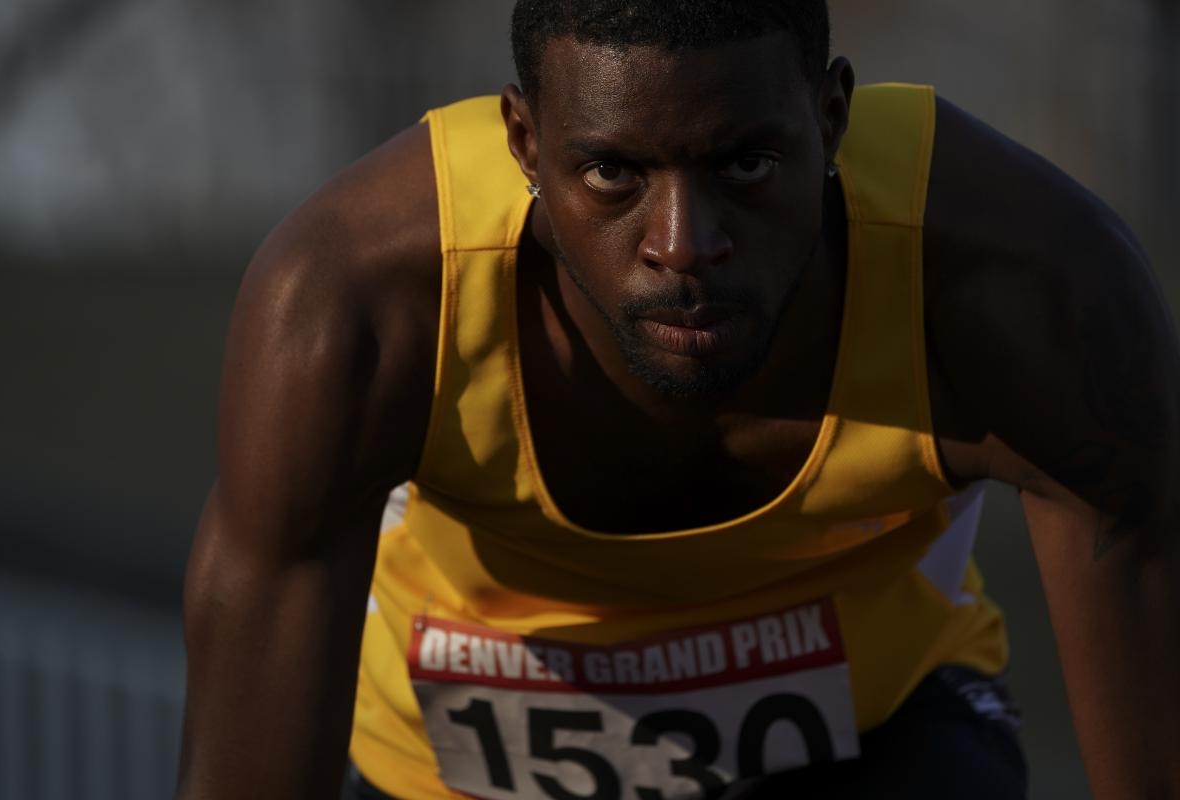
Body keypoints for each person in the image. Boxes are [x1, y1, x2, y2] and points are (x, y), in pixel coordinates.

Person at [175, 1, 1180, 798]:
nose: (684, 244)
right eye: (613, 171)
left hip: (874, 749)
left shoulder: (1023, 283)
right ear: (523, 141)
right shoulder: (358, 303)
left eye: (745, 164)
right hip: (452, 781)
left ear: (832, 116)